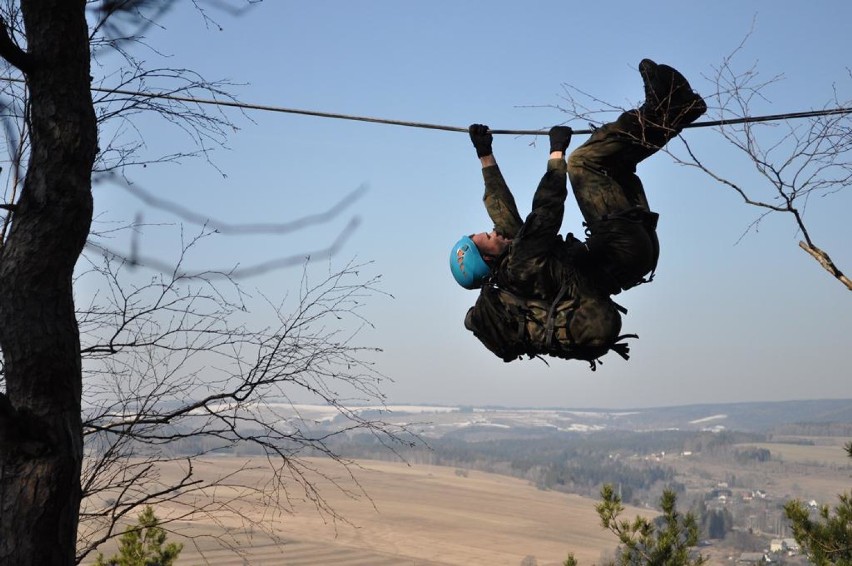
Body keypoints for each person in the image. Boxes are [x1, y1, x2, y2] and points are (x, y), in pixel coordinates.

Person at [449, 59, 707, 368]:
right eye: (486, 237)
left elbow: (501, 211)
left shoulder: (515, 271)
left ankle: (676, 110)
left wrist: (484, 154)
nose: (491, 231)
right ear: (487, 258)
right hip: (620, 248)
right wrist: (557, 154)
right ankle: (666, 107)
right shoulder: (521, 262)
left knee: (615, 164)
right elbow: (546, 212)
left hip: (632, 255)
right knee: (584, 163)